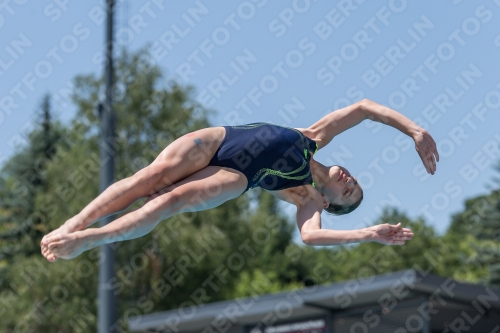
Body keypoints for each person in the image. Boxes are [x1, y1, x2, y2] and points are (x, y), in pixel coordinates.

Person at [41, 99, 438, 262]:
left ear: (330, 202)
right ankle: (73, 224)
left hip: (234, 175)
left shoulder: (307, 200)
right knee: (148, 178)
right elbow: (365, 108)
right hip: (222, 139)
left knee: (167, 201)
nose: (349, 179)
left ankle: (87, 240)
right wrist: (414, 131)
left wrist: (367, 234)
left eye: (347, 191)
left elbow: (311, 238)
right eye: (354, 180)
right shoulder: (314, 138)